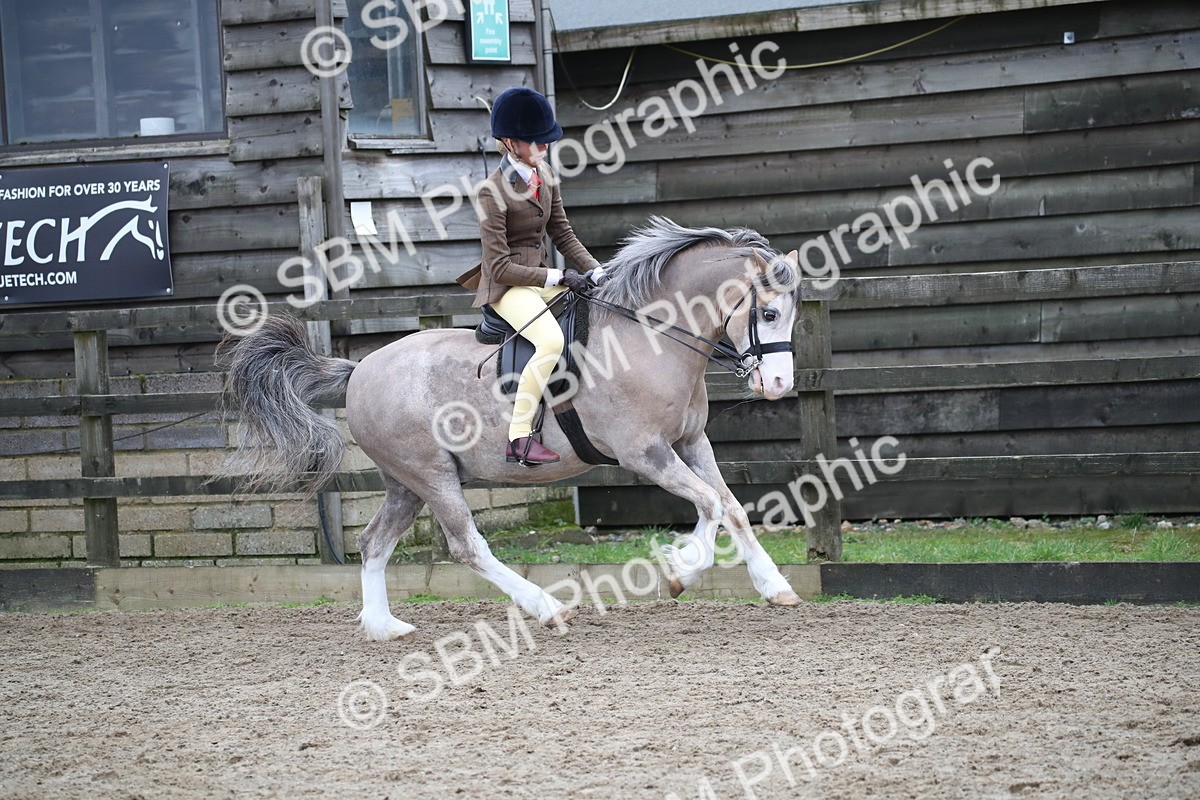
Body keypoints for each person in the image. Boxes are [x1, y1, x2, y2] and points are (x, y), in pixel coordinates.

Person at [457, 87, 601, 466]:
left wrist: (597, 271)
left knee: (596, 315)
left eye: (546, 141)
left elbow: (563, 233)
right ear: (509, 142)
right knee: (552, 341)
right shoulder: (491, 192)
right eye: (536, 142)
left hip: (543, 280)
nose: (544, 148)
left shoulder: (546, 175)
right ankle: (519, 437)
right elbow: (500, 266)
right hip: (508, 286)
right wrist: (558, 275)